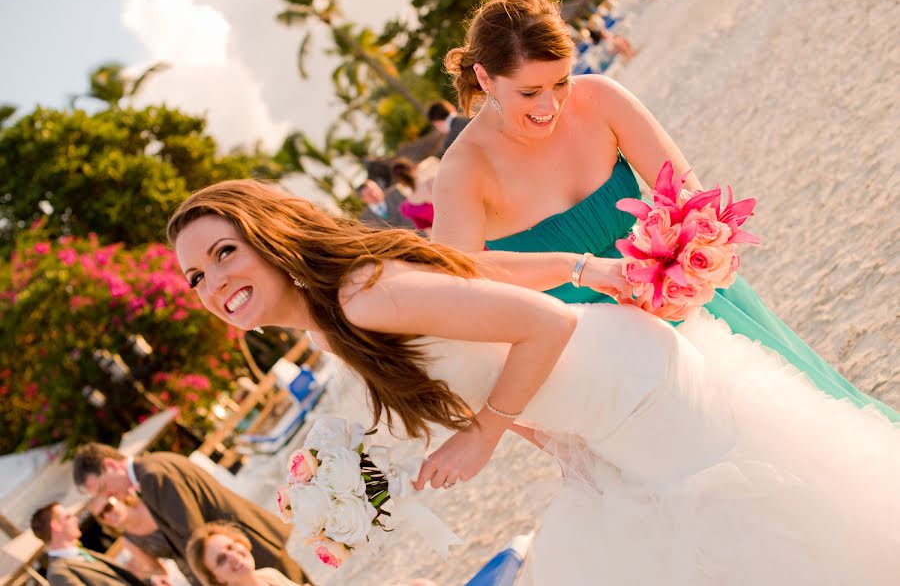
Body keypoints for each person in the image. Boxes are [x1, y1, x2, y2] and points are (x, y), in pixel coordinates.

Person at [167, 179, 900, 584]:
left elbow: (546, 325)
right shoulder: (334, 323)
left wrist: (484, 436)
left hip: (635, 390)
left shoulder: (360, 295)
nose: (214, 280)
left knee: (755, 534)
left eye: (225, 251)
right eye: (197, 275)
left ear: (266, 237)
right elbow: (475, 275)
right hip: (591, 418)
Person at [430, 0, 899, 421]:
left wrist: (681, 269)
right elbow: (463, 279)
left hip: (692, 303)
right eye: (530, 93)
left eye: (561, 82)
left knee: (810, 417)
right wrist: (578, 268)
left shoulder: (600, 99)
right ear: (485, 78)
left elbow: (689, 196)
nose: (550, 106)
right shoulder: (462, 171)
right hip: (602, 357)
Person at [72, 445, 308, 586]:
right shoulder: (156, 463)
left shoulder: (153, 477)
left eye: (103, 488)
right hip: (250, 552)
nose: (109, 495)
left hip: (248, 557)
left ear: (112, 465)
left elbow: (195, 537)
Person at [31, 502, 150, 586]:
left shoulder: (81, 553)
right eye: (68, 517)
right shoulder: (58, 573)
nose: (75, 519)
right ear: (55, 526)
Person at [89, 492, 196, 584]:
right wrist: (147, 576)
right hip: (192, 571)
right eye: (101, 516)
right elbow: (157, 570)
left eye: (108, 507)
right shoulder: (129, 541)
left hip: (205, 545)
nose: (107, 516)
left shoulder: (148, 501)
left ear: (118, 497)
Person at [185, 522, 305, 586]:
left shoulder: (269, 575)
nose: (233, 556)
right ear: (215, 579)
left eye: (231, 547)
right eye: (221, 560)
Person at [392, 157, 437, 234]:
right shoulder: (431, 182)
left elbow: (429, 231)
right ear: (413, 167)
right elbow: (433, 160)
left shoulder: (409, 207)